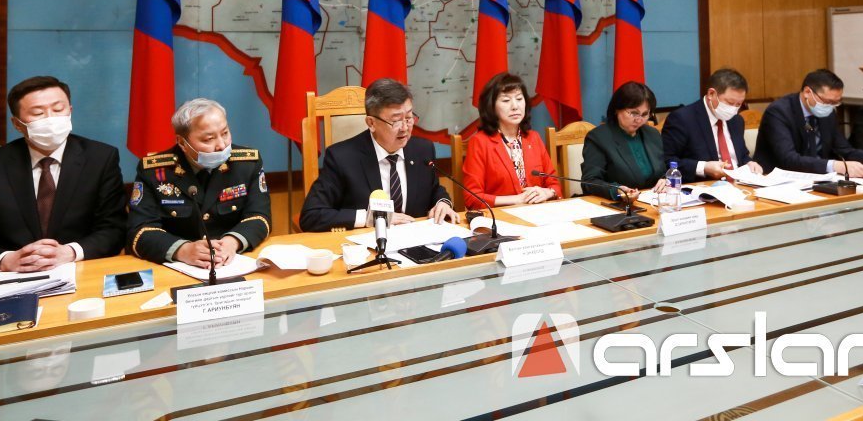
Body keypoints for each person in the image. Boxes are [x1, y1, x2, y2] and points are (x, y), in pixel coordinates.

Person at [0, 76, 127, 275]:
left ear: (70, 111)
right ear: (17, 124)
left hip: (81, 273)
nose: (50, 119)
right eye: (38, 113)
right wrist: (7, 260)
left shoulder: (100, 158)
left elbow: (114, 230)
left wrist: (71, 252)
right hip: (12, 279)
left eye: (58, 109)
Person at [300, 78, 459, 232]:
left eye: (409, 117)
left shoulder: (422, 150)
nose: (405, 128)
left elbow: (433, 189)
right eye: (396, 121)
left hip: (416, 242)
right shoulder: (342, 158)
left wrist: (443, 202)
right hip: (366, 243)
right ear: (371, 123)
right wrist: (369, 218)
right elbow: (311, 215)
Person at [128, 98, 271, 266]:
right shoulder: (154, 171)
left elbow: (259, 216)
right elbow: (139, 230)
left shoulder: (247, 164)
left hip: (231, 262)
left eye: (225, 133)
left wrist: (232, 242)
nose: (221, 145)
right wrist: (182, 250)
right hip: (177, 267)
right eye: (208, 139)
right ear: (182, 142)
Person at [753, 69, 863, 177]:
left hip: (820, 178)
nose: (831, 107)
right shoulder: (779, 112)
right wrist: (836, 166)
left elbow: (844, 150)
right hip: (779, 179)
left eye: (836, 102)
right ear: (807, 92)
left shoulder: (827, 113)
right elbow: (788, 159)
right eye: (827, 101)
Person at [460, 72, 562, 207]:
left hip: (537, 212)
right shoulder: (479, 142)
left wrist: (547, 192)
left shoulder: (534, 138)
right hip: (501, 216)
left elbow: (554, 184)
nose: (515, 106)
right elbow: (472, 197)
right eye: (506, 101)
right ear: (491, 106)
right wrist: (516, 199)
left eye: (519, 99)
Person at [662, 68, 763, 182]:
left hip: (740, 185)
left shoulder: (736, 120)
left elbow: (742, 155)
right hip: (704, 186)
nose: (734, 109)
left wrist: (750, 163)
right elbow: (667, 161)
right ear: (711, 94)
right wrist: (703, 168)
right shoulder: (683, 119)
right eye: (730, 103)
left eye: (738, 104)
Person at [581, 81, 667, 200]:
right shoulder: (598, 138)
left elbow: (663, 171)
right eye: (634, 113)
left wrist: (665, 180)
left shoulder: (652, 134)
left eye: (645, 114)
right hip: (618, 205)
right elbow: (589, 182)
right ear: (617, 109)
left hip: (654, 202)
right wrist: (617, 191)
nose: (639, 120)